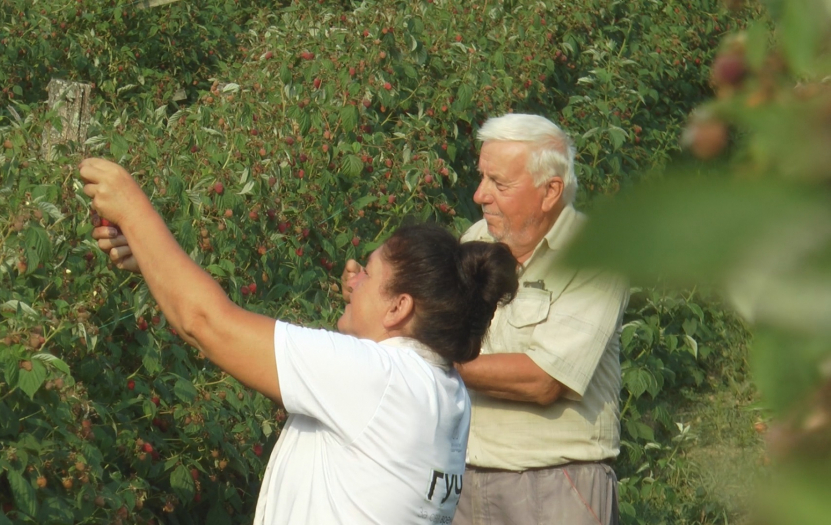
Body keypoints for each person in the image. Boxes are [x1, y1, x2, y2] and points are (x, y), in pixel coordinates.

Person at [78, 157, 520, 524]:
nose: (354, 279)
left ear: (398, 308)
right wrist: (153, 259)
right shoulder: (442, 390)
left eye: (369, 272)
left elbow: (206, 322)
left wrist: (133, 207)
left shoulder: (379, 381)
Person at [343, 113, 630, 525]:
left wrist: (429, 357)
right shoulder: (475, 240)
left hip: (553, 484)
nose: (480, 194)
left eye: (499, 183)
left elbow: (544, 380)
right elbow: (415, 321)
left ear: (551, 191)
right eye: (482, 178)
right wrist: (368, 299)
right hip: (460, 481)